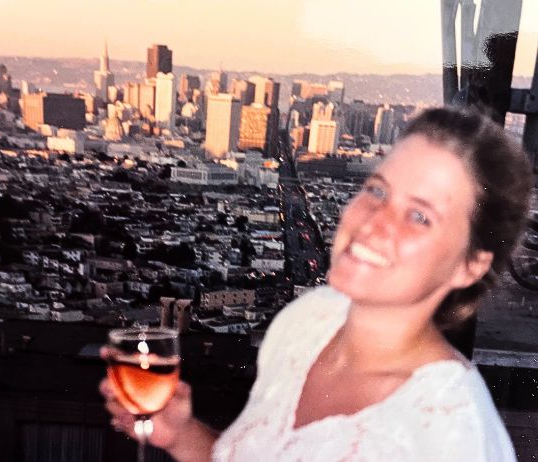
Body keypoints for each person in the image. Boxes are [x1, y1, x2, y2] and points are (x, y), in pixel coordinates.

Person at [100, 107, 533, 461]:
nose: (373, 222)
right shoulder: (309, 320)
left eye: (419, 216)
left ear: (470, 267)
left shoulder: (452, 431)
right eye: (377, 191)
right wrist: (182, 435)